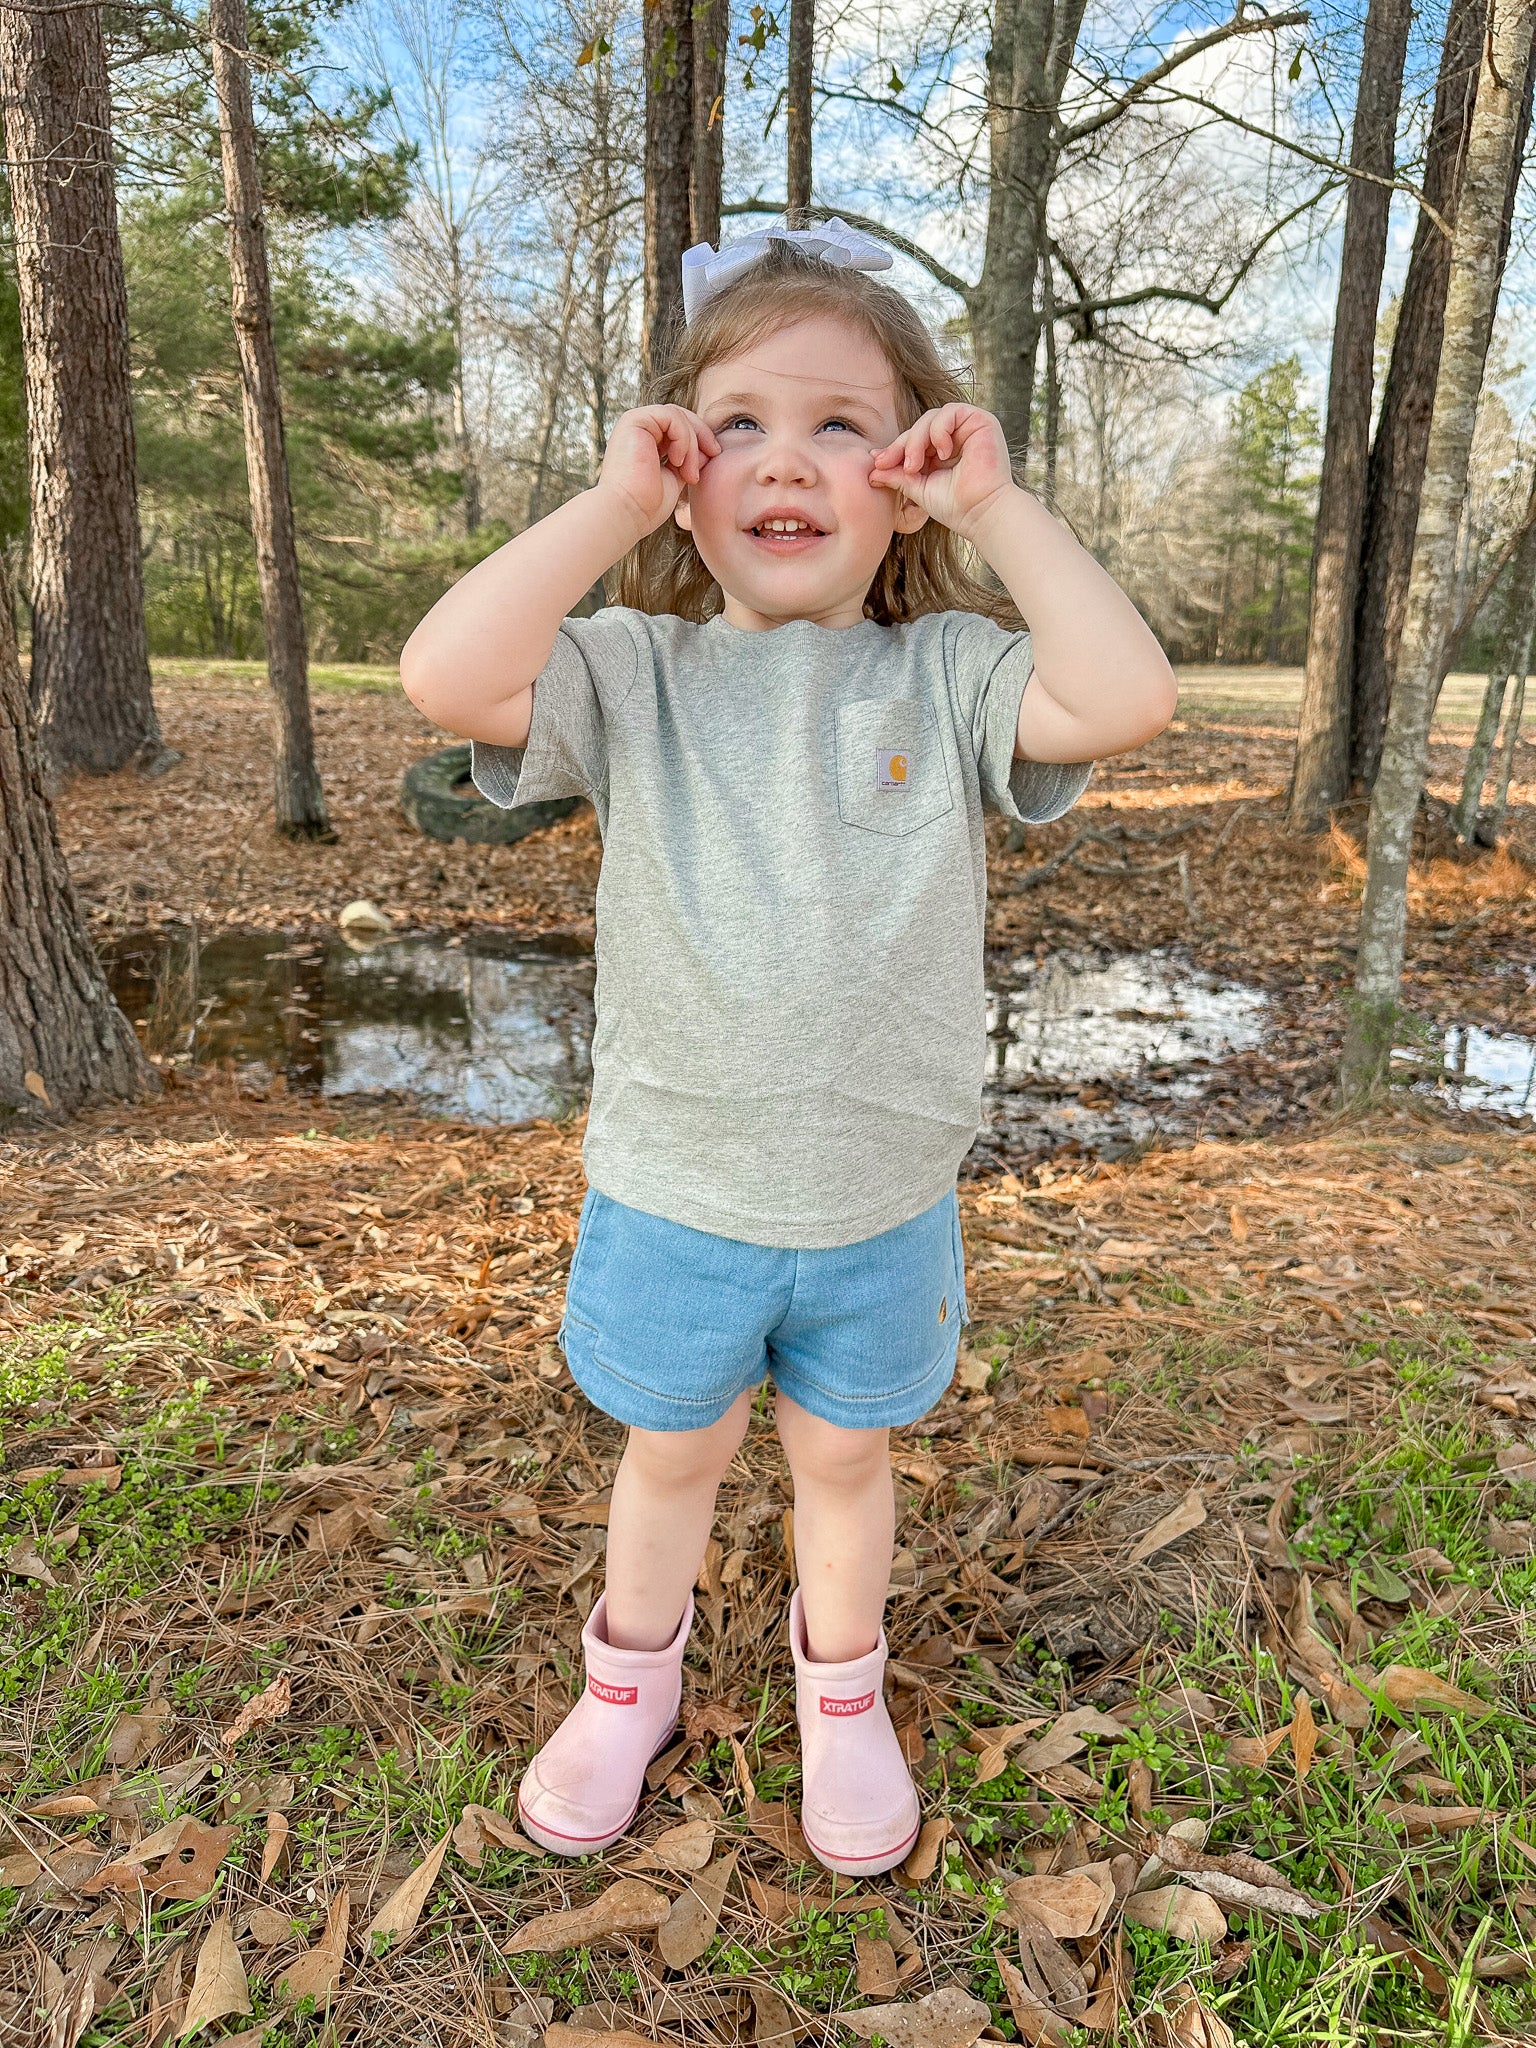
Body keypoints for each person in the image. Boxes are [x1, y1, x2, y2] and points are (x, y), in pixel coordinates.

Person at [399, 221, 1177, 1877]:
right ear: (683, 468)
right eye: (737, 422)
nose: (789, 462)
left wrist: (1004, 507)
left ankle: (845, 1703)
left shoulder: (950, 673)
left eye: (843, 425)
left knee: (842, 1455)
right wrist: (611, 506)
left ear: (904, 477)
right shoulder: (630, 672)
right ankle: (631, 1683)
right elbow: (444, 672)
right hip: (675, 1184)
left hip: (880, 1192)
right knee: (670, 1452)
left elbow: (1119, 701)